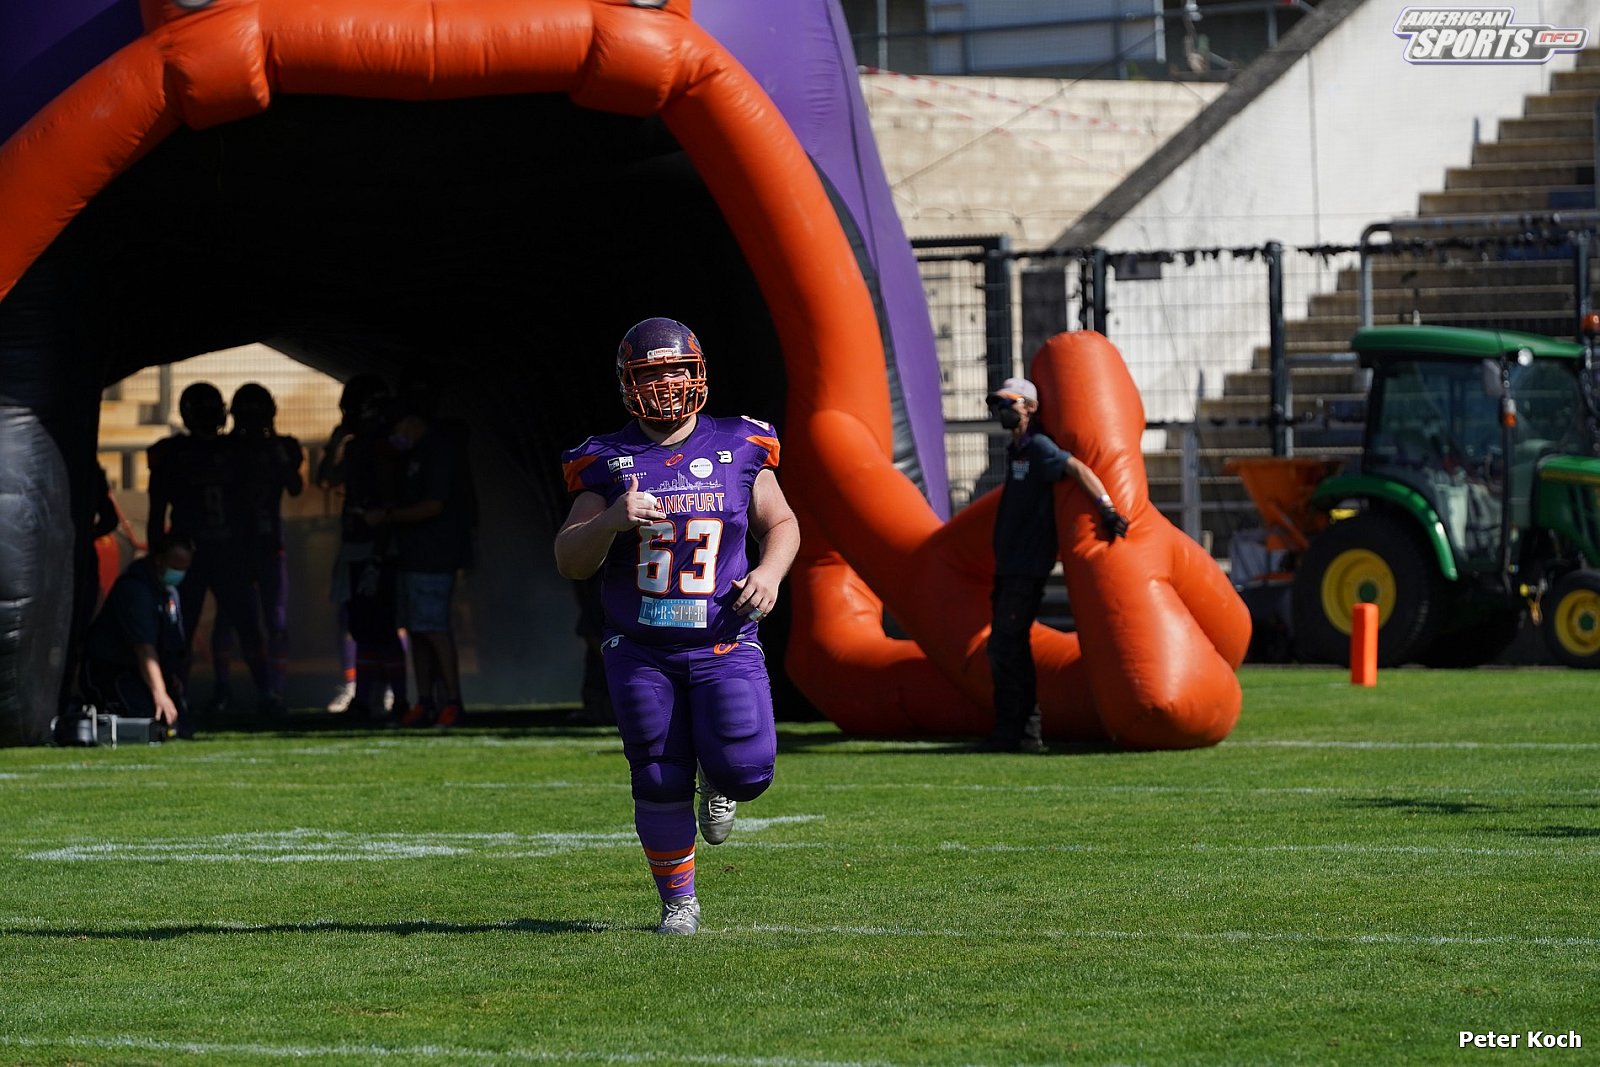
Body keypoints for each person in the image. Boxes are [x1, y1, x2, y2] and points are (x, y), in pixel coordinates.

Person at [555, 317, 800, 935]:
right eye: (652, 374)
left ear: (699, 374)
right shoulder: (604, 458)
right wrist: (610, 520)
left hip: (724, 637)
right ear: (627, 383)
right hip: (641, 646)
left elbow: (782, 523)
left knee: (748, 770)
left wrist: (770, 574)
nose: (666, 386)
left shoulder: (741, 442)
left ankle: (719, 778)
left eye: (677, 372)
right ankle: (678, 903)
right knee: (659, 774)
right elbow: (570, 560)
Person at [981, 376, 1128, 753]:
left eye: (1009, 404)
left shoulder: (1039, 447)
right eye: (998, 405)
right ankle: (1016, 731)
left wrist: (1107, 509)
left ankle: (1020, 732)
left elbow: (1077, 469)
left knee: (1006, 645)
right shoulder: (1018, 450)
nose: (1002, 411)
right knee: (1006, 648)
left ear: (1029, 407)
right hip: (1010, 564)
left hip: (1027, 566)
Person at [147, 382, 280, 722]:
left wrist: (157, 555)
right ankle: (262, 693)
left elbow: (157, 513)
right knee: (190, 628)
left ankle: (186, 697)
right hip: (206, 555)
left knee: (204, 628)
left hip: (208, 555)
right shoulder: (230, 450)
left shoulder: (178, 453)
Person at [360, 389, 474, 728]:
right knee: (417, 630)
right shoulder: (412, 454)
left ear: (412, 422)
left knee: (434, 628)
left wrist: (388, 516)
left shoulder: (438, 451)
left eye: (397, 427)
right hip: (412, 555)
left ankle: (452, 702)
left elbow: (434, 505)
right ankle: (424, 702)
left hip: (434, 556)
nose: (395, 435)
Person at [210, 383, 304, 700]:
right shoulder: (225, 448)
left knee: (274, 620)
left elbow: (295, 486)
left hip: (266, 545)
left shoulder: (281, 447)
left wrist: (273, 447)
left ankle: (273, 690)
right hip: (235, 546)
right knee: (229, 618)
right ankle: (229, 687)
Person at [80, 531, 196, 736]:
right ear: (159, 560)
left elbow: (172, 642)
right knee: (146, 721)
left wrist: (171, 677)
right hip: (113, 670)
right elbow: (144, 649)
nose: (180, 572)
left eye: (184, 567)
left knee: (180, 726)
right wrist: (160, 694)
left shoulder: (169, 592)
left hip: (142, 673)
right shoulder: (136, 590)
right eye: (176, 565)